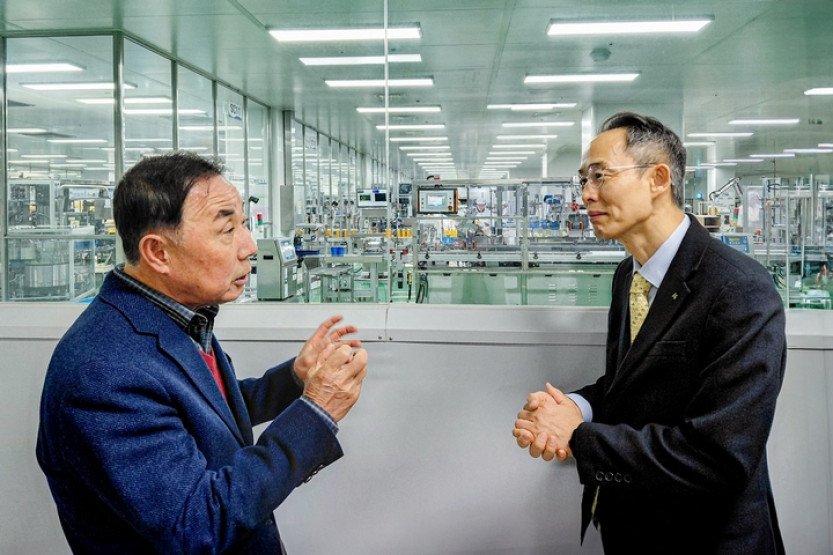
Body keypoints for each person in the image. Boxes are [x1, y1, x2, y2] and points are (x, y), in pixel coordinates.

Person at [36, 151, 369, 553]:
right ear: (158, 253)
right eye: (227, 230)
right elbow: (197, 526)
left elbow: (203, 409)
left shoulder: (174, 316)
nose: (249, 246)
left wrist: (294, 380)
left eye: (243, 224)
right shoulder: (103, 373)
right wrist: (316, 412)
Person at [513, 112, 786, 554]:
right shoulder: (630, 276)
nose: (586, 194)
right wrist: (574, 407)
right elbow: (631, 386)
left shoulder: (738, 290)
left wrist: (578, 436)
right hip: (634, 532)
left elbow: (720, 457)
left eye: (601, 176)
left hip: (705, 541)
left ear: (658, 178)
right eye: (583, 179)